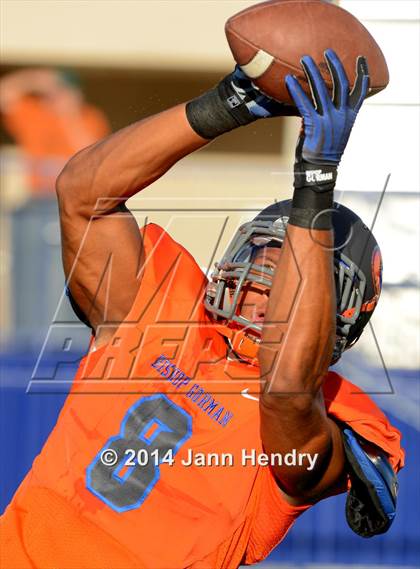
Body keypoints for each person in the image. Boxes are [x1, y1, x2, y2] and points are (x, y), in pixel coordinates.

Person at [0, 51, 404, 569]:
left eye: (296, 275)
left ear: (340, 312)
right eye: (265, 259)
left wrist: (315, 184)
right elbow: (82, 194)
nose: (266, 286)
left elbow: (284, 388)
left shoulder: (329, 419)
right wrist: (228, 104)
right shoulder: (159, 311)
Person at [0, 68, 109, 195]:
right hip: (39, 194)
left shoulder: (90, 117)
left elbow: (92, 156)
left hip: (75, 192)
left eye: (66, 92)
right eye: (57, 91)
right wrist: (32, 79)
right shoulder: (35, 112)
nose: (60, 97)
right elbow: (4, 95)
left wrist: (70, 117)